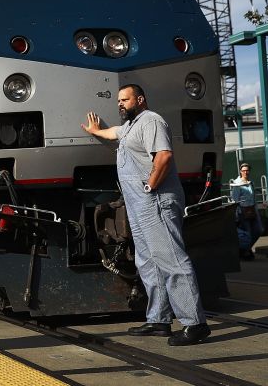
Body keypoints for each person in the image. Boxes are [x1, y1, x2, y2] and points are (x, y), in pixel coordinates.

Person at [82, 84, 211, 346]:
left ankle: (195, 323)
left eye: (125, 99)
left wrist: (150, 186)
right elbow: (112, 133)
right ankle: (159, 319)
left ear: (140, 99)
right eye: (118, 100)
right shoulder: (130, 126)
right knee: (147, 262)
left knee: (171, 259)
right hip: (138, 204)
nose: (120, 104)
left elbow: (163, 156)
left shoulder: (151, 121)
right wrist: (96, 131)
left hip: (155, 200)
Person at [230, 162, 263, 261]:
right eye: (243, 170)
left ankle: (244, 249)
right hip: (243, 212)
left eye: (247, 170)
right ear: (240, 171)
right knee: (247, 233)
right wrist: (236, 214)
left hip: (252, 210)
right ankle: (245, 251)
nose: (245, 172)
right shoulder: (237, 184)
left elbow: (254, 198)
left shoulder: (251, 183)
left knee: (259, 230)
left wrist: (257, 210)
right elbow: (234, 200)